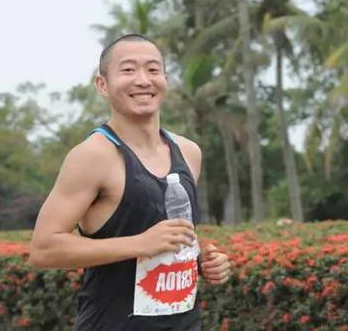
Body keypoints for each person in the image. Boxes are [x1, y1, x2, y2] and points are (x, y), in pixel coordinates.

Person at [29, 34, 231, 331]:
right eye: (128, 70)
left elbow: (171, 232)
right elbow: (43, 249)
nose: (143, 80)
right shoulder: (93, 156)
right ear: (103, 84)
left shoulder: (189, 152)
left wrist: (202, 260)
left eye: (152, 69)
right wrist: (139, 244)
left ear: (165, 80)